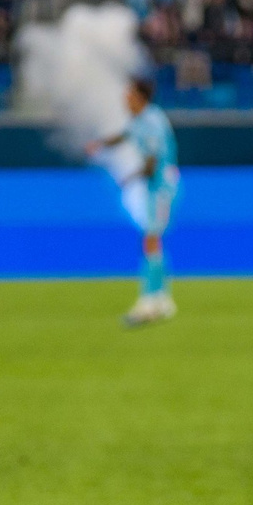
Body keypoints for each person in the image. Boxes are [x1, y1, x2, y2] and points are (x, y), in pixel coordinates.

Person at [98, 76, 179, 328]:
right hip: (156, 187)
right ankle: (162, 298)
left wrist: (128, 178)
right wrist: (99, 144)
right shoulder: (140, 120)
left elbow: (152, 165)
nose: (125, 99)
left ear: (140, 97)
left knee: (151, 239)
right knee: (152, 241)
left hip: (163, 187)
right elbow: (123, 136)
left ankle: (149, 299)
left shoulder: (153, 122)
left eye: (129, 95)